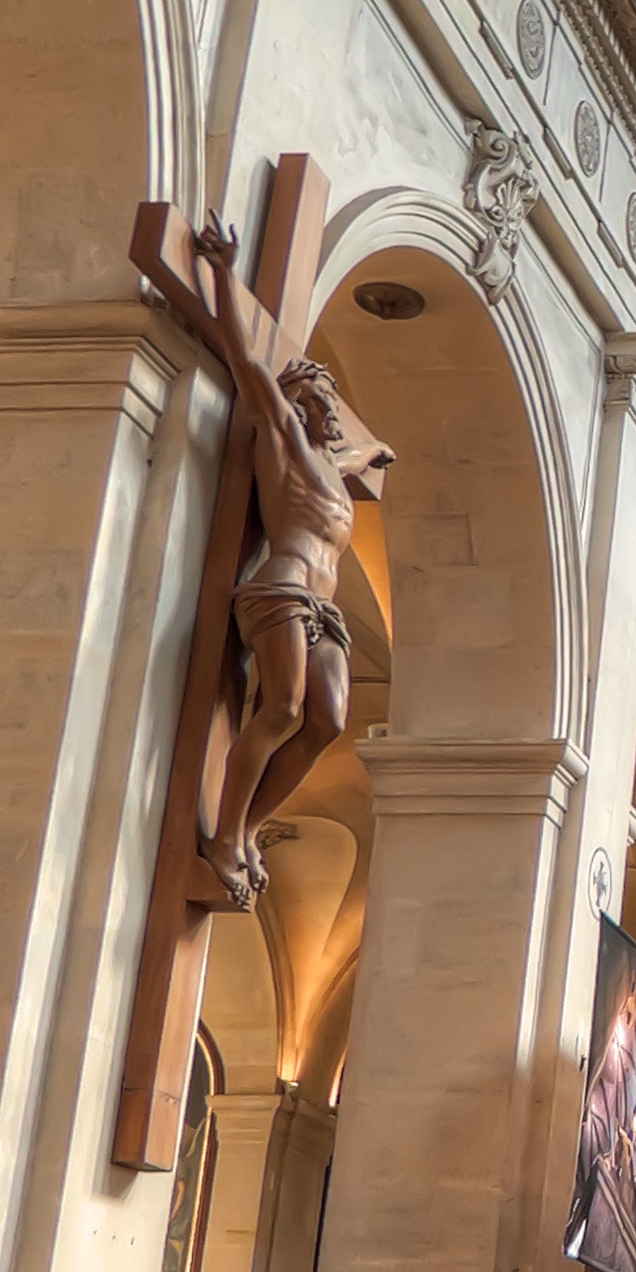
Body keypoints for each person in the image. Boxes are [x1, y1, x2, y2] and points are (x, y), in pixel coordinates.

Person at [189, 219, 395, 909]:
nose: (330, 412)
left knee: (327, 722)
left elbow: (352, 456)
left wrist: (374, 454)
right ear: (294, 401)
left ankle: (246, 827)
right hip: (280, 587)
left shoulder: (334, 470)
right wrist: (220, 274)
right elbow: (246, 362)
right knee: (278, 709)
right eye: (317, 400)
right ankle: (224, 835)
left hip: (328, 612)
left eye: (331, 405)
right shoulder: (280, 436)